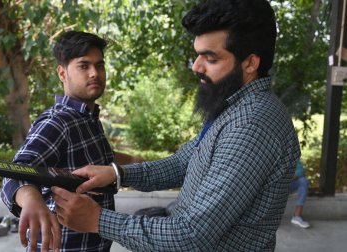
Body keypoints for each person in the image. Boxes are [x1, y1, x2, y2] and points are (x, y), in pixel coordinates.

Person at [52, 0, 301, 251]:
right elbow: (184, 163)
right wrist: (118, 174)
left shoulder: (251, 126)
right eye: (197, 54)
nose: (196, 66)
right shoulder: (233, 105)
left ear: (250, 63)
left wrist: (98, 220)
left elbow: (191, 236)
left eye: (210, 58)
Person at [1, 31, 116, 252]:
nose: (95, 73)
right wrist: (30, 199)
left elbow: (95, 158)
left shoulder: (88, 118)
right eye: (84, 66)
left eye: (99, 65)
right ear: (62, 73)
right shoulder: (57, 122)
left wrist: (135, 162)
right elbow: (14, 171)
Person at [290, 160, 311, 228]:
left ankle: (297, 216)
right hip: (274, 185)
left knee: (303, 181)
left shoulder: (291, 153)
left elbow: (300, 170)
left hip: (288, 183)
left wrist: (295, 175)